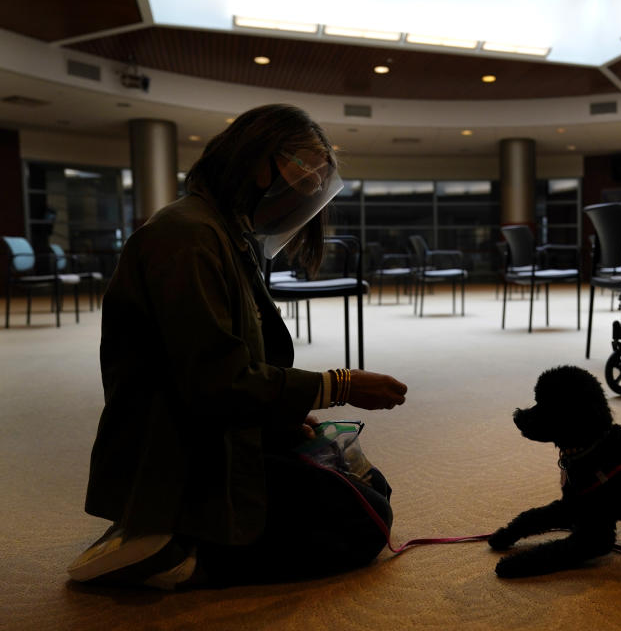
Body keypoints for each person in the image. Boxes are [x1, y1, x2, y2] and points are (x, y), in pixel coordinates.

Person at [67, 104, 407, 588]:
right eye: (303, 170)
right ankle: (174, 550)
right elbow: (214, 382)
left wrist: (288, 414)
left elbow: (236, 363)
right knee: (362, 525)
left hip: (215, 428)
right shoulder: (186, 235)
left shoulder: (223, 232)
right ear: (256, 159)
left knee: (371, 490)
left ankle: (173, 533)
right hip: (183, 450)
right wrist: (340, 384)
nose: (308, 187)